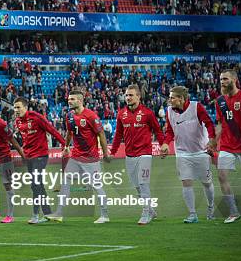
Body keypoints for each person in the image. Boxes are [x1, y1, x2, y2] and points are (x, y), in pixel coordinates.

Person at [48, 90, 111, 224]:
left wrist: (105, 153)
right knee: (65, 182)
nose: (69, 101)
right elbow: (70, 133)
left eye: (72, 99)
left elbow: (102, 135)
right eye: (68, 99)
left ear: (80, 101)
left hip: (91, 159)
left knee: (97, 186)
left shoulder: (91, 116)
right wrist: (66, 147)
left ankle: (104, 215)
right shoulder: (69, 116)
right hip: (76, 157)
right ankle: (58, 213)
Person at [110, 85, 165, 225]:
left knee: (143, 182)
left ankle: (145, 213)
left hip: (145, 153)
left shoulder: (147, 113)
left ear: (138, 96)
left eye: (131, 95)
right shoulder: (121, 114)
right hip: (130, 155)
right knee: (137, 187)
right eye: (126, 95)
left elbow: (158, 131)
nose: (128, 98)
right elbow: (118, 135)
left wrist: (163, 145)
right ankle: (151, 210)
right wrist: (113, 151)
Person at [161, 86, 216, 223]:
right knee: (186, 182)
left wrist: (211, 141)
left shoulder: (196, 107)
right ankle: (192, 214)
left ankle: (210, 207)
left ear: (181, 98)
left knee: (207, 183)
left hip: (201, 151)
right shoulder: (169, 111)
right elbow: (169, 131)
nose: (170, 100)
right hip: (182, 153)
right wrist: (166, 143)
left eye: (172, 97)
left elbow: (209, 124)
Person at [13, 97, 65, 224]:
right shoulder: (18, 122)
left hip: (41, 155)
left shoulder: (36, 117)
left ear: (25, 107)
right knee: (37, 185)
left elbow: (52, 130)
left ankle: (35, 215)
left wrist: (65, 144)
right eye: (14, 108)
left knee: (36, 184)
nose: (16, 110)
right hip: (29, 156)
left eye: (18, 107)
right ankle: (48, 214)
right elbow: (26, 139)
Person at [208, 69, 241, 224]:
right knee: (221, 176)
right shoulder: (220, 101)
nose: (222, 82)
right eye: (220, 79)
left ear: (234, 79)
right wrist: (213, 142)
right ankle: (233, 212)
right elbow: (219, 125)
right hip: (226, 145)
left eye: (225, 79)